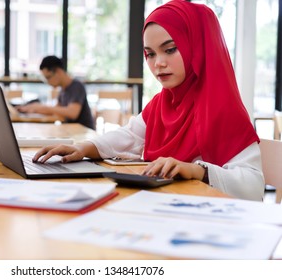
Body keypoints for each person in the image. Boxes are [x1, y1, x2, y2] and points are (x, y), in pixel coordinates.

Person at [31, 0, 265, 201]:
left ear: (198, 48)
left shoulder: (224, 109)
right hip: (163, 207)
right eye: (150, 54)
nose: (157, 63)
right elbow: (130, 135)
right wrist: (82, 148)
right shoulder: (162, 103)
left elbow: (253, 186)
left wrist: (196, 170)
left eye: (170, 49)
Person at [17, 55, 96, 130]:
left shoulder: (76, 86)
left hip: (84, 134)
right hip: (72, 132)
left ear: (58, 71)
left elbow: (72, 113)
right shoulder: (63, 90)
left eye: (48, 77)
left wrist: (42, 107)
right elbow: (56, 111)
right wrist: (32, 109)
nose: (47, 82)